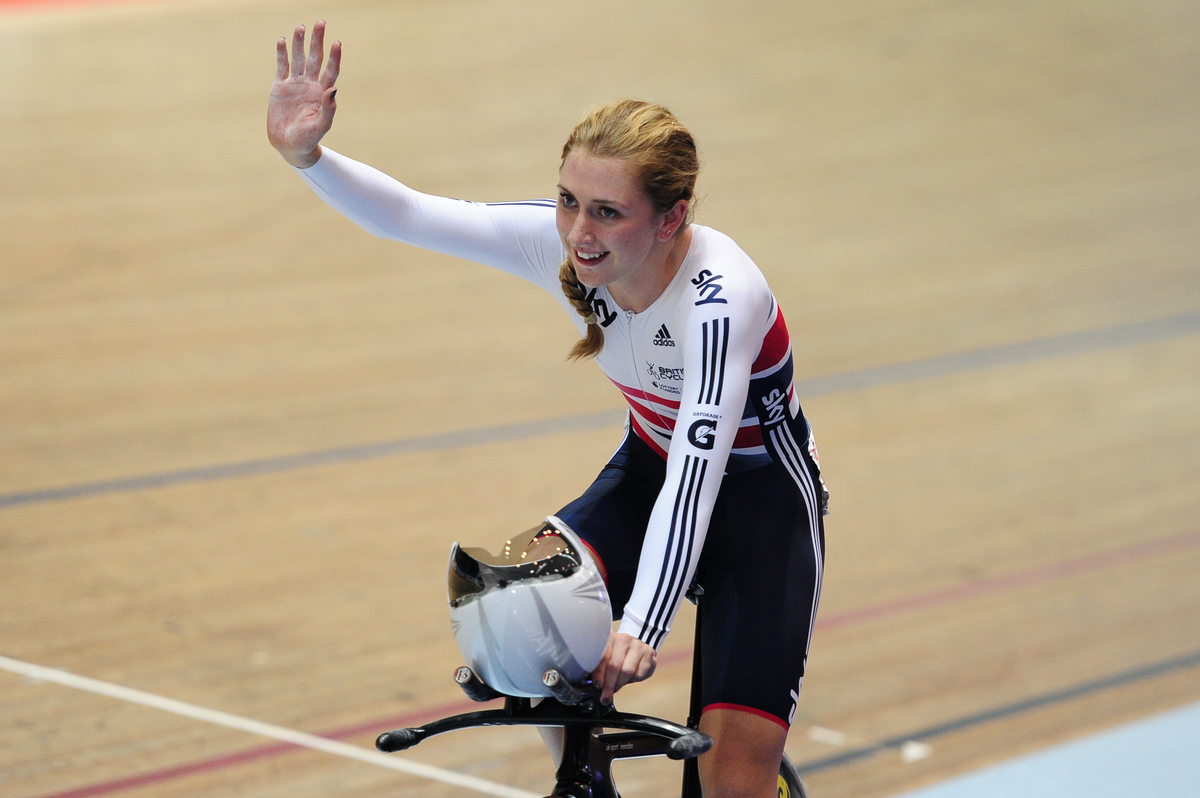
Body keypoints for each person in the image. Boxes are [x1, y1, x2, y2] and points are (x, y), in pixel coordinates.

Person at [268, 22, 826, 798]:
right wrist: (307, 156)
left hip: (761, 507)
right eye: (568, 202)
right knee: (514, 604)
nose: (577, 234)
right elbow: (411, 215)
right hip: (649, 470)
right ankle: (585, 781)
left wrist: (641, 627)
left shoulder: (721, 299)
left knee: (730, 788)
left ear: (672, 218)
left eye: (606, 212)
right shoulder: (564, 246)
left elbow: (698, 485)